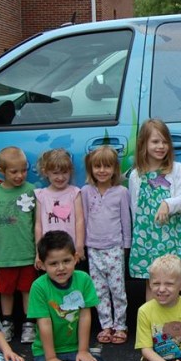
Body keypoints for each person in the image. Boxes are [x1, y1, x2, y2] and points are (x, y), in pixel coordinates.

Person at [27, 231, 105, 361]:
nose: (61, 268)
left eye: (66, 261)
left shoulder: (83, 279)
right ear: (42, 265)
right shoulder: (39, 287)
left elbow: (84, 317)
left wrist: (83, 351)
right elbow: (44, 324)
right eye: (53, 263)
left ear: (76, 258)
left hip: (76, 347)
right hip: (47, 351)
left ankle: (95, 358)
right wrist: (50, 358)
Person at [128, 119, 181, 302]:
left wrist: (167, 204)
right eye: (155, 142)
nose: (161, 146)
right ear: (144, 144)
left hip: (170, 235)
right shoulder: (136, 175)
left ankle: (173, 325)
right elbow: (135, 208)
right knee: (152, 281)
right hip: (147, 237)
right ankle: (152, 325)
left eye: (165, 142)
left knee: (171, 280)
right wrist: (136, 237)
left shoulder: (176, 169)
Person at [81, 145, 131, 345]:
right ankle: (106, 325)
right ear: (91, 169)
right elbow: (83, 218)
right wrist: (82, 245)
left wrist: (126, 244)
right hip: (93, 248)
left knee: (117, 290)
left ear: (114, 169)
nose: (102, 171)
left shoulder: (121, 192)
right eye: (97, 166)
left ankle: (120, 326)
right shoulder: (86, 191)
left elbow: (126, 220)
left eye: (107, 166)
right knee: (99, 290)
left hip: (114, 248)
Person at [0, 146, 37, 344]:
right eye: (14, 171)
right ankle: (6, 323)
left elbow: (36, 222)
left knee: (27, 289)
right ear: (2, 171)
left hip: (27, 251)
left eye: (23, 170)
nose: (19, 176)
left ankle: (29, 324)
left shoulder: (31, 190)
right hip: (4, 254)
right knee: (5, 290)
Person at [33, 149, 85, 265]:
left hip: (70, 249)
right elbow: (38, 225)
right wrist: (38, 252)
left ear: (70, 172)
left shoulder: (74, 193)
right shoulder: (41, 195)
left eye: (64, 172)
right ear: (46, 172)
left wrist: (79, 245)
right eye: (55, 173)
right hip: (48, 250)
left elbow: (79, 221)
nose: (60, 177)